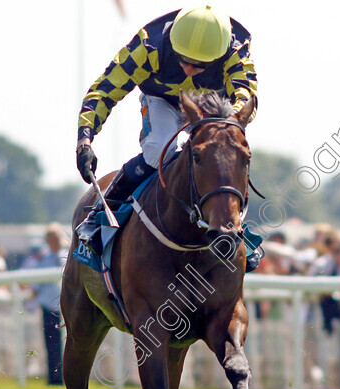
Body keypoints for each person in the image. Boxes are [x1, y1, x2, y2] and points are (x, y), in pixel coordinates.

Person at [74, 5, 258, 254]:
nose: (190, 70)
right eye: (184, 60)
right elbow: (106, 88)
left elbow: (246, 96)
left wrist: (230, 123)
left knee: (224, 153)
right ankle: (100, 214)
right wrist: (85, 138)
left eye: (200, 65)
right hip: (161, 100)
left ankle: (238, 229)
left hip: (212, 106)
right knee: (159, 149)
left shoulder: (235, 49)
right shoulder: (148, 45)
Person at [22, 224, 67, 385]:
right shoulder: (44, 260)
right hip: (49, 308)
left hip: (69, 308)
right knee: (52, 344)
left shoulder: (69, 256)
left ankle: (70, 377)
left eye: (56, 237)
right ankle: (54, 377)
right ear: (48, 241)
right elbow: (36, 286)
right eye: (51, 238)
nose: (55, 241)